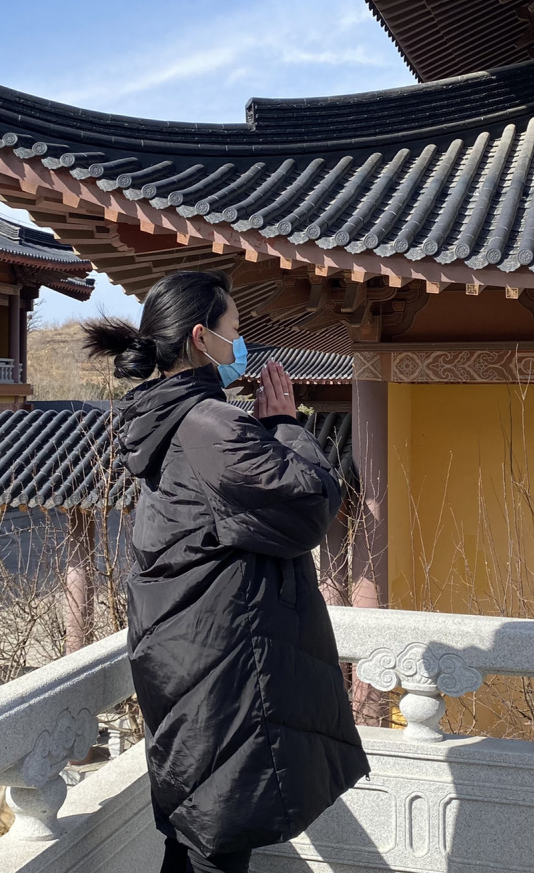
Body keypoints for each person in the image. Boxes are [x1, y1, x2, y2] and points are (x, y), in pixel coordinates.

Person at [84, 270, 368, 873]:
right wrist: (285, 425)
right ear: (201, 337)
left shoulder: (169, 420)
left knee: (198, 827)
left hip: (188, 653)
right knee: (215, 834)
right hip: (219, 663)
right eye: (234, 329)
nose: (241, 343)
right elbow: (308, 509)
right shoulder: (211, 424)